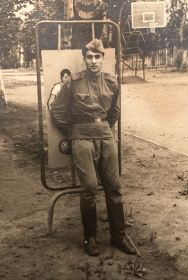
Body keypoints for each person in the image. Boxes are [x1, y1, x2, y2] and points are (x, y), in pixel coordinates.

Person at [50, 39, 136, 256]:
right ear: (84, 59)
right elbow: (57, 112)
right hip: (82, 139)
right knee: (88, 188)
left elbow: (114, 111)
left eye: (98, 57)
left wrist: (105, 129)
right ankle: (90, 238)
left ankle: (118, 236)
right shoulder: (73, 82)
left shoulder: (111, 82)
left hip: (105, 137)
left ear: (103, 58)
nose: (94, 61)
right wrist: (74, 132)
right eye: (90, 57)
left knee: (114, 186)